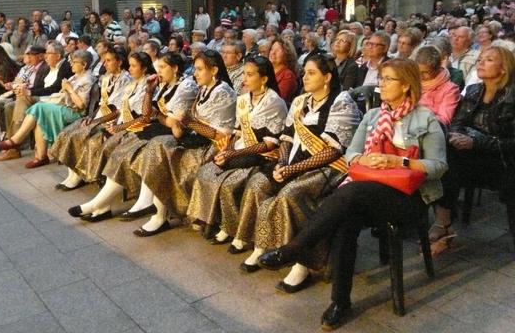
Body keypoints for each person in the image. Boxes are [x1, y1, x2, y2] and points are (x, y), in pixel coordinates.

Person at [257, 58, 447, 330]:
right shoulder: (373, 116)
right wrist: (365, 159)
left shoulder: (425, 118)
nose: (381, 83)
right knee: (347, 219)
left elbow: (439, 167)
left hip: (408, 196)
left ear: (406, 85)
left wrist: (399, 161)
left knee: (351, 193)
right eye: (380, 78)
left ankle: (295, 248)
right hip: (370, 189)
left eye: (388, 79)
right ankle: (340, 301)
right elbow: (351, 154)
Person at [230, 56, 360, 289]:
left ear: (327, 77)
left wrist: (293, 169)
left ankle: (302, 263)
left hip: (328, 168)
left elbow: (334, 150)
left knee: (291, 193)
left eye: (311, 73)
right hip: (292, 162)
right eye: (305, 72)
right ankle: (261, 245)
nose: (304, 77)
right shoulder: (300, 101)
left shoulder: (341, 102)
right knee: (258, 183)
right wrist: (282, 164)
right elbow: (287, 138)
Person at [130, 50, 237, 236]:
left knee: (163, 152)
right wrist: (181, 125)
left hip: (214, 148)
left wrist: (187, 122)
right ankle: (156, 212)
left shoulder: (224, 92)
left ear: (214, 70)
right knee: (159, 145)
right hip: (196, 139)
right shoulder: (204, 88)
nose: (195, 74)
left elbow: (220, 135)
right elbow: (156, 116)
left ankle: (158, 214)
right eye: (195, 69)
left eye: (200, 69)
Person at [187, 56, 287, 241]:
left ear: (264, 79)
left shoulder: (275, 102)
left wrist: (234, 153)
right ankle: (211, 219)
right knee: (206, 172)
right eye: (244, 74)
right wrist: (227, 150)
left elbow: (270, 143)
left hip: (263, 156)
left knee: (228, 184)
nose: (244, 79)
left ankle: (231, 228)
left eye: (250, 75)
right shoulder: (243, 99)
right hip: (241, 150)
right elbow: (238, 131)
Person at [432, 46, 515, 256]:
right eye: (480, 59)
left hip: (503, 161)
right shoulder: (474, 91)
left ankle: (443, 226)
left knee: (447, 161)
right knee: (441, 158)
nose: (480, 62)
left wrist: (475, 143)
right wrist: (456, 137)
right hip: (471, 156)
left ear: (504, 68)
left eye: (489, 59)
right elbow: (457, 122)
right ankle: (444, 224)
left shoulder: (512, 96)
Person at [65, 52, 158, 220]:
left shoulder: (149, 86)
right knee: (101, 145)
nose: (130, 68)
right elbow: (118, 109)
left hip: (139, 130)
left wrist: (118, 126)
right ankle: (101, 205)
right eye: (130, 65)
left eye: (134, 65)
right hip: (124, 126)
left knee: (110, 149)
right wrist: (102, 121)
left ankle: (98, 205)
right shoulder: (132, 84)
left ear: (144, 68)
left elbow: (144, 117)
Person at [50, 46, 131, 189]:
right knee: (67, 133)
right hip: (100, 116)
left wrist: (96, 121)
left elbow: (118, 110)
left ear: (119, 62)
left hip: (114, 120)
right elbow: (102, 104)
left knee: (79, 135)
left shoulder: (126, 80)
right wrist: (91, 116)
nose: (105, 64)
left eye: (109, 60)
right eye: (104, 60)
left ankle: (79, 175)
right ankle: (72, 174)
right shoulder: (107, 78)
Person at [0, 50, 95, 168]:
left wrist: (69, 89)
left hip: (75, 112)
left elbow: (81, 105)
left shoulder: (87, 79)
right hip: (64, 107)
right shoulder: (76, 76)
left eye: (74, 62)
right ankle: (41, 156)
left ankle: (16, 140)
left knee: (38, 107)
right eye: (71, 61)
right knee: (39, 116)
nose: (71, 64)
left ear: (84, 65)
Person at [414, 46, 460, 126]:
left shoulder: (450, 90)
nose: (420, 76)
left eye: (425, 72)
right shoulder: (412, 81)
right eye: (418, 71)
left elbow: (444, 119)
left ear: (437, 68)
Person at [269, 38, 298, 103]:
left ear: (287, 54)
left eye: (278, 50)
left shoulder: (288, 75)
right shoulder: (265, 70)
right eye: (272, 49)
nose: (273, 53)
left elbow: (276, 99)